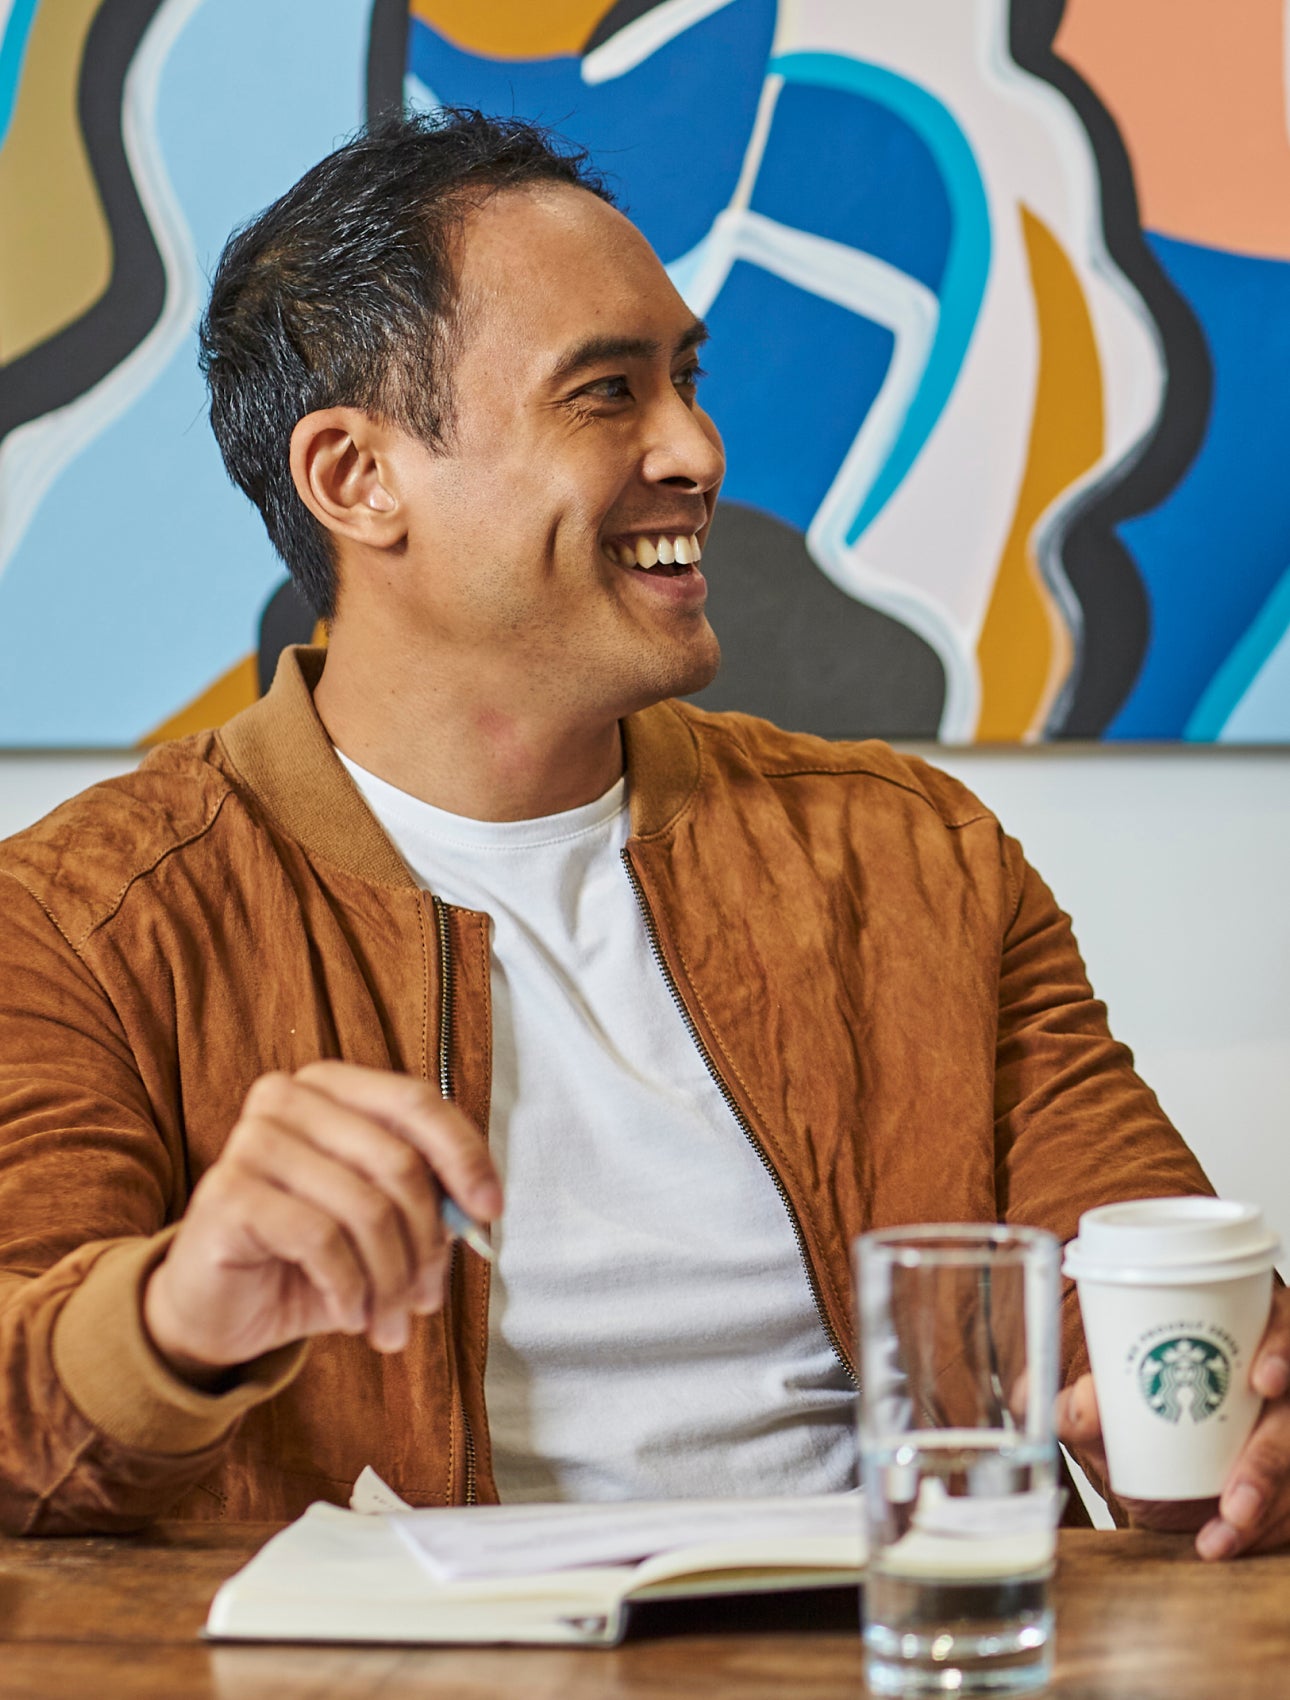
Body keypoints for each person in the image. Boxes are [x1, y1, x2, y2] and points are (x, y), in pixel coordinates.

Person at [0, 111, 1285, 1556]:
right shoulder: (78, 919)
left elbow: (1140, 1284)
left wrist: (1240, 1405)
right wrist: (178, 1313)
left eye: (685, 378)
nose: (695, 447)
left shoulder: (915, 857)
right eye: (605, 393)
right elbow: (21, 1445)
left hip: (913, 1648)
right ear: (357, 478)